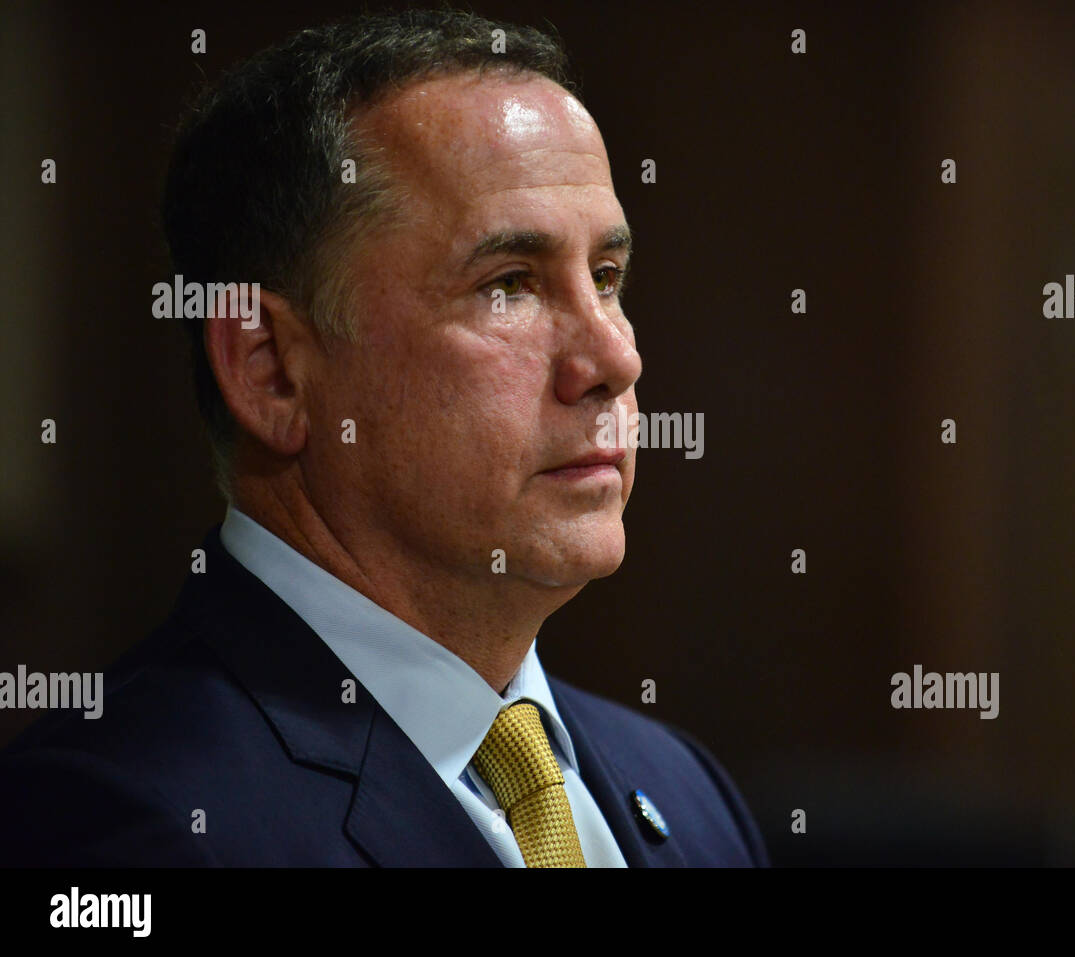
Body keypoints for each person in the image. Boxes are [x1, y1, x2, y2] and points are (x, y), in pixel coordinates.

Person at [0, 9, 768, 868]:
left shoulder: (690, 795)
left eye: (606, 277)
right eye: (509, 284)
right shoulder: (120, 822)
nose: (614, 357)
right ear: (271, 371)